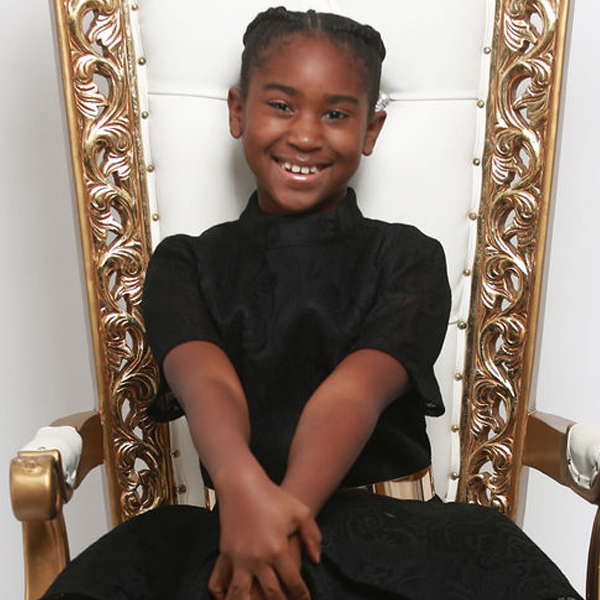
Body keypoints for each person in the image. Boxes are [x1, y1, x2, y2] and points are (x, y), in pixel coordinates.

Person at [42, 7, 582, 600]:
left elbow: (353, 395)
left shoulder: (407, 258)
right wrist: (243, 492)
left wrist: (280, 524)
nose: (304, 134)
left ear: (370, 130)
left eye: (336, 114)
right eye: (281, 105)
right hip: (235, 522)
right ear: (237, 111)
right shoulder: (185, 262)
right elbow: (206, 385)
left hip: (392, 532)